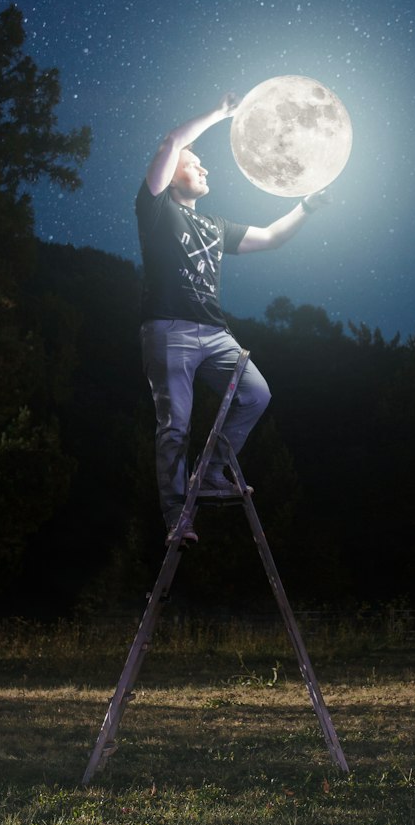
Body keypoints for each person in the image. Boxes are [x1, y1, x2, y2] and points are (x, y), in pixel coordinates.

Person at [137, 91, 326, 545]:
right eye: (194, 163)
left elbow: (271, 238)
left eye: (201, 164)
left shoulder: (217, 226)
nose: (203, 168)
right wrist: (221, 113)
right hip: (169, 330)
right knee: (175, 426)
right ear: (172, 174)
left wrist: (305, 207)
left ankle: (214, 473)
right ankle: (177, 519)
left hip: (217, 334)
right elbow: (170, 143)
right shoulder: (157, 210)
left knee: (256, 394)